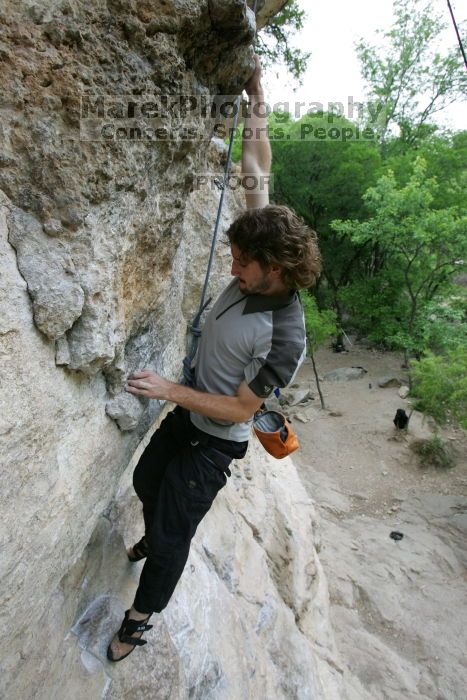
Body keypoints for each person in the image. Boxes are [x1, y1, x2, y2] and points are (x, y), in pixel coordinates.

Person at [107, 55, 321, 662]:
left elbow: (237, 407)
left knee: (174, 533)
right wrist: (256, 90)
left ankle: (139, 621)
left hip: (213, 442)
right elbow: (258, 161)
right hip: (186, 419)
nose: (231, 268)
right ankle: (156, 537)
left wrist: (169, 390)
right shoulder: (261, 248)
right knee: (147, 481)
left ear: (274, 269)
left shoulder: (284, 338)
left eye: (241, 265)